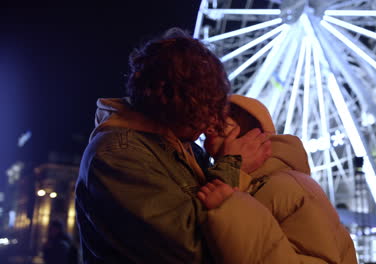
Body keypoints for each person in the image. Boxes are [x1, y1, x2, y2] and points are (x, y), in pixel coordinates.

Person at [75, 28, 271, 263]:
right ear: (176, 104)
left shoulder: (184, 147)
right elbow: (191, 248)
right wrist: (233, 168)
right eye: (203, 112)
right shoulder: (117, 154)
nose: (210, 124)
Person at [198, 95, 358, 264]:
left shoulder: (287, 187)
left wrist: (230, 208)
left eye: (220, 122)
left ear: (253, 131)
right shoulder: (258, 185)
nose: (207, 128)